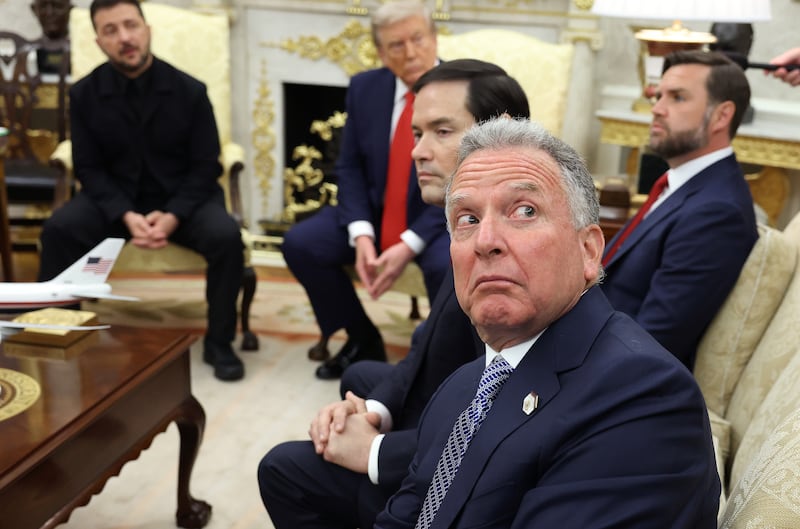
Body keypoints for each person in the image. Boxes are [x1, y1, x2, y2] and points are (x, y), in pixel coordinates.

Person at [373, 117, 720, 528]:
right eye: (468, 219)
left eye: (524, 211)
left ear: (588, 250)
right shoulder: (463, 387)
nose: (486, 241)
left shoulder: (642, 395)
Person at [258, 60, 531, 529]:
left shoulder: (509, 250)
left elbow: (505, 417)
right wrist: (373, 412)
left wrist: (377, 451)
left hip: (469, 484)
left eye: (442, 131)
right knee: (362, 377)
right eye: (417, 133)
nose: (417, 152)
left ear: (501, 130)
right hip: (453, 402)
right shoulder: (473, 224)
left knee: (282, 469)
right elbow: (428, 343)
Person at [37, 0, 246, 381]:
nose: (125, 37)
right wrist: (125, 214)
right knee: (59, 230)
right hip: (116, 203)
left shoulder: (190, 91)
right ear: (99, 42)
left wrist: (173, 215)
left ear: (147, 30)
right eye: (111, 30)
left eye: (131, 25)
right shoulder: (84, 94)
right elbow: (89, 168)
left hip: (182, 202)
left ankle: (220, 342)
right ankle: (59, 334)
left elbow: (206, 165)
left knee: (226, 236)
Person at [280, 0, 451, 380]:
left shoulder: (464, 91)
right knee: (302, 243)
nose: (410, 53)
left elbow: (466, 180)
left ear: (435, 37)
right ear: (381, 52)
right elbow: (350, 166)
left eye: (418, 39)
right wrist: (361, 234)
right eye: (396, 45)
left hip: (440, 218)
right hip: (376, 212)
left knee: (450, 266)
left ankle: (442, 365)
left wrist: (409, 244)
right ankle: (362, 339)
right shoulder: (365, 87)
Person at [601, 50, 758, 370]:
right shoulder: (682, 185)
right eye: (659, 96)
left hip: (610, 374)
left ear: (721, 116)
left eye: (678, 97)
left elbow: (652, 342)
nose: (657, 109)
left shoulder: (717, 213)